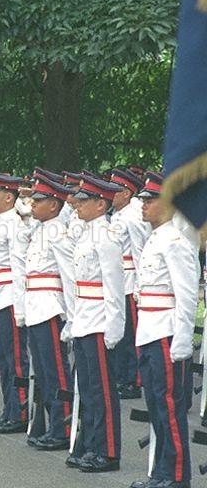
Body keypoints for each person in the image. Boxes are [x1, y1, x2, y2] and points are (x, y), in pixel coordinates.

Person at [130, 172, 198, 488]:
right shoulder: (155, 238)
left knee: (169, 407)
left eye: (150, 200)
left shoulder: (176, 242)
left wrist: (183, 341)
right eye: (142, 200)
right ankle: (161, 471)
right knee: (157, 405)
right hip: (150, 330)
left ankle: (177, 475)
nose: (143, 205)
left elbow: (186, 296)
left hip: (167, 333)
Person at [61, 173, 124, 473]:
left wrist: (114, 329)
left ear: (101, 204)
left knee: (102, 390)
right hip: (84, 318)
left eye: (84, 201)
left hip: (100, 320)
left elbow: (113, 288)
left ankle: (108, 450)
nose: (77, 205)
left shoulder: (107, 237)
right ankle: (89, 443)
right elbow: (77, 285)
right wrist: (72, 320)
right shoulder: (85, 234)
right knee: (86, 387)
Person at [24, 176, 75, 451]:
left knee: (56, 372)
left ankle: (62, 427)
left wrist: (71, 316)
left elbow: (68, 276)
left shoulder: (58, 233)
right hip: (35, 307)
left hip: (50, 308)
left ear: (54, 205)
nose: (33, 204)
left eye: (39, 200)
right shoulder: (40, 230)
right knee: (43, 372)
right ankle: (47, 424)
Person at [0, 171, 31, 433]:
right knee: (2, 358)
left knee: (15, 359)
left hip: (10, 295)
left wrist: (20, 307)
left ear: (9, 197)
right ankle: (9, 409)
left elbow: (19, 266)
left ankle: (20, 411)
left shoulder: (13, 223)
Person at [109, 168, 151, 400]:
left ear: (127, 193)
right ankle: (121, 375)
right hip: (116, 281)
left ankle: (133, 380)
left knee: (130, 335)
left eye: (116, 190)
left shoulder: (133, 217)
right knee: (120, 333)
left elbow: (140, 252)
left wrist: (139, 287)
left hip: (128, 280)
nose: (110, 194)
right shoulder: (118, 215)